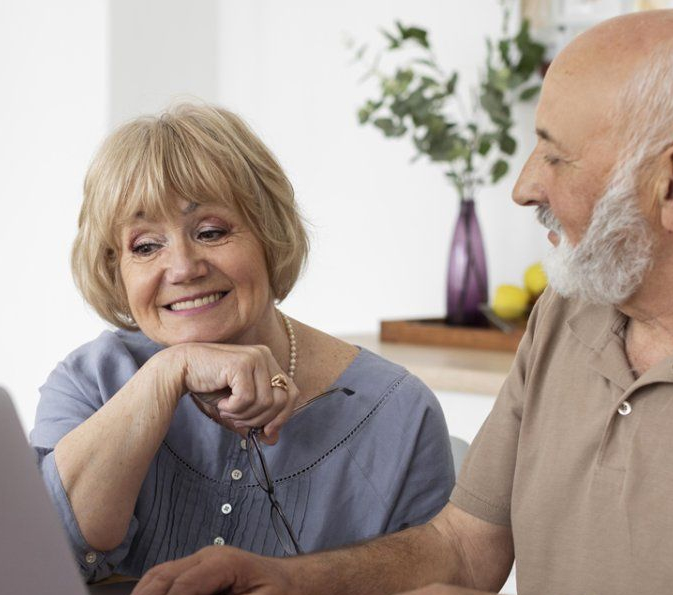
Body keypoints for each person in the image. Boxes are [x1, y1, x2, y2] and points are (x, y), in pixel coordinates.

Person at [130, 10, 673, 595]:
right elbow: (465, 547)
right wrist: (285, 579)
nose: (524, 186)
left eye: (555, 156)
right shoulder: (571, 312)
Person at [29, 103, 455, 582]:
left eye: (210, 232)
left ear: (270, 235)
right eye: (146, 246)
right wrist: (170, 371)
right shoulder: (90, 382)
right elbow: (35, 558)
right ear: (115, 269)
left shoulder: (397, 413)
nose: (183, 268)